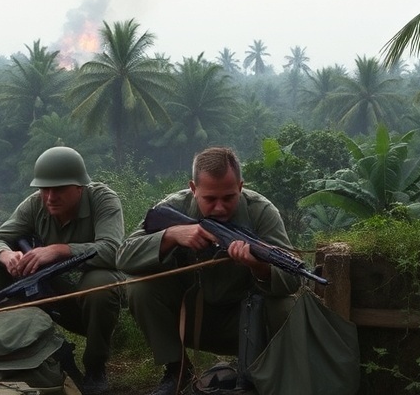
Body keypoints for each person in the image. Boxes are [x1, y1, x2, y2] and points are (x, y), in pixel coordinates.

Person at [117, 146, 300, 395]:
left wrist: (258, 264)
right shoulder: (175, 207)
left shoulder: (261, 212)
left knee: (286, 308)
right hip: (187, 320)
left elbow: (293, 279)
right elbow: (124, 256)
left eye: (228, 198)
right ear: (193, 189)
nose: (220, 208)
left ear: (241, 186)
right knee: (139, 287)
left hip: (244, 320)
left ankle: (265, 373)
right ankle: (177, 370)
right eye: (210, 199)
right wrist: (170, 236)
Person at [0, 146, 124, 395]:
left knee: (101, 283)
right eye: (45, 189)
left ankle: (95, 366)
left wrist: (60, 250)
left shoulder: (103, 200)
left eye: (59, 189)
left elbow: (114, 250)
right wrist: (6, 255)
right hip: (43, 291)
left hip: (85, 301)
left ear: (80, 187)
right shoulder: (34, 205)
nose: (50, 197)